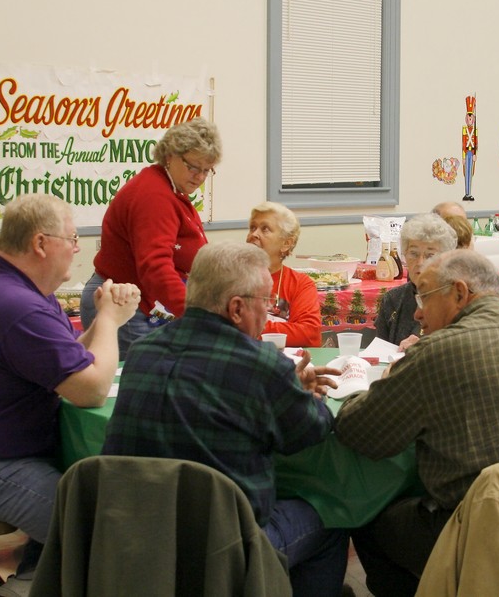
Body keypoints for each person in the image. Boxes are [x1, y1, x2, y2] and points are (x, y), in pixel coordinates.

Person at [336, 249, 499, 597]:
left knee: (365, 515)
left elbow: (359, 431)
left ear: (459, 293)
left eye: (423, 296)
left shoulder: (439, 350)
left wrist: (366, 385)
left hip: (484, 530)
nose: (416, 312)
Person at [102, 242, 348, 597]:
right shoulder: (262, 364)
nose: (270, 313)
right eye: (267, 302)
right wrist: (311, 397)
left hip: (135, 540)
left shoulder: (142, 351)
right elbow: (309, 432)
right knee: (331, 519)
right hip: (224, 548)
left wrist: (283, 387)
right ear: (236, 308)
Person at [0, 194, 140, 589]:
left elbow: (74, 358)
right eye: (72, 238)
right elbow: (90, 391)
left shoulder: (21, 292)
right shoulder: (16, 306)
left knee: (84, 512)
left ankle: (36, 579)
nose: (76, 249)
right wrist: (109, 320)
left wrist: (104, 321)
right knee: (102, 532)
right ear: (41, 244)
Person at [80, 117, 222, 357]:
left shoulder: (171, 190)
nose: (199, 176)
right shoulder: (155, 196)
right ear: (170, 156)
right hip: (125, 306)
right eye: (193, 166)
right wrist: (195, 314)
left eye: (206, 170)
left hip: (142, 304)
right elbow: (155, 267)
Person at [374, 213, 457, 348]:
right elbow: (378, 353)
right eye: (413, 253)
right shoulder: (393, 299)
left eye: (430, 255)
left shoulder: (455, 299)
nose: (420, 262)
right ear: (404, 255)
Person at [247, 201, 322, 347]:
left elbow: (309, 334)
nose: (254, 234)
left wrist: (249, 328)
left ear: (286, 244)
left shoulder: (300, 284)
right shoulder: (229, 277)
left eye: (265, 229)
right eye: (252, 228)